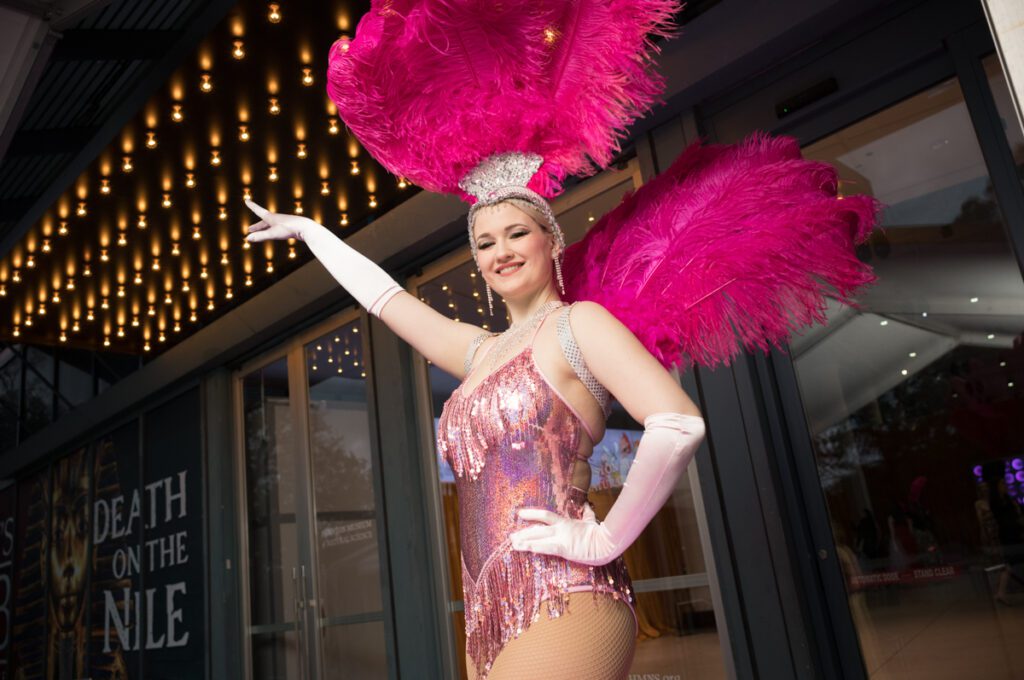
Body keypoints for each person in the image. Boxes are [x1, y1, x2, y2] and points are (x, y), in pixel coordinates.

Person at [244, 191, 706, 678]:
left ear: (552, 241)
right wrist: (311, 232)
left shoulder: (579, 323)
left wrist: (604, 541)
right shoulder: (478, 352)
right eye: (485, 243)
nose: (500, 252)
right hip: (487, 614)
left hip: (564, 591)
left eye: (517, 233)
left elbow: (678, 423)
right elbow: (386, 299)